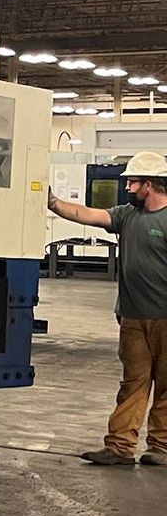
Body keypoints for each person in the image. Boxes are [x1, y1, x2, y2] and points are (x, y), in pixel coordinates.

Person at [47, 150, 167, 465]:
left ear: (150, 184)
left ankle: (161, 448)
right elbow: (89, 214)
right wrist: (53, 202)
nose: (127, 188)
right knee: (132, 383)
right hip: (133, 316)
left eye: (132, 182)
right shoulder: (127, 215)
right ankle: (119, 447)